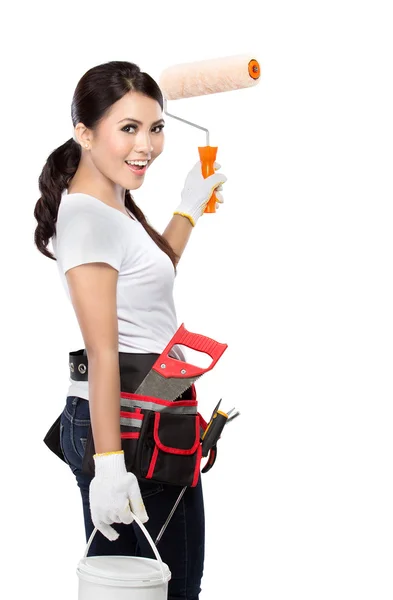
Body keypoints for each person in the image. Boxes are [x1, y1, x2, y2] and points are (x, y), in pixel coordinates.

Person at [34, 60, 227, 600]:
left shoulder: (111, 200)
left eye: (156, 127)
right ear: (84, 133)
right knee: (164, 589)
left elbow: (151, 276)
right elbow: (103, 353)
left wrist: (189, 209)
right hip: (125, 416)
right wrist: (110, 466)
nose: (146, 145)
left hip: (154, 399)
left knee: (168, 583)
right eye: (128, 128)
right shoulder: (90, 218)